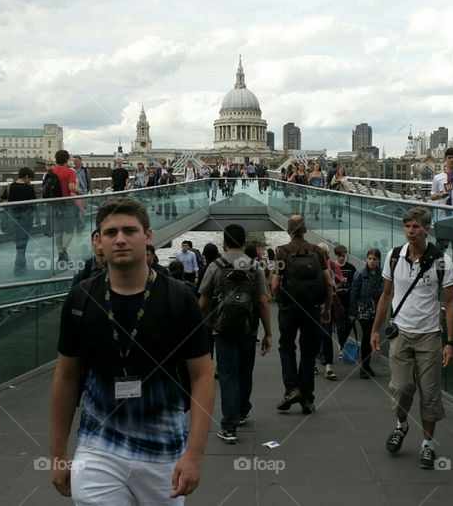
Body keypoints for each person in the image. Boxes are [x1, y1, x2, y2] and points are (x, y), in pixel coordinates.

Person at [49, 197, 214, 504]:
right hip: (98, 447)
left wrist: (194, 454)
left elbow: (203, 376)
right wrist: (58, 455)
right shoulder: (80, 300)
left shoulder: (180, 299)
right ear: (98, 242)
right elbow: (66, 376)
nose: (121, 239)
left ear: (148, 236)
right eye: (111, 233)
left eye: (130, 230)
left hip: (164, 449)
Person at [369, 206, 453, 469]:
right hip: (401, 332)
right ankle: (401, 424)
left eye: (416, 226)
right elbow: (386, 295)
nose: (411, 230)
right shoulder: (394, 256)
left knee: (429, 394)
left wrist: (451, 342)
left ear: (427, 229)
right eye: (407, 226)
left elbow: (451, 303)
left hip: (429, 335)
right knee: (401, 387)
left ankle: (427, 445)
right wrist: (375, 329)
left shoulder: (442, 261)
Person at [200, 224, 272, 444]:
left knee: (228, 374)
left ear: (224, 242)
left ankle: (229, 426)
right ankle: (241, 412)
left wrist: (202, 324)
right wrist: (268, 332)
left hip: (222, 329)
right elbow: (262, 302)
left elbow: (202, 301)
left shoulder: (215, 265)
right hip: (248, 328)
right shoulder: (254, 266)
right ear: (243, 242)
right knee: (245, 371)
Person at [272, 215, 334, 415]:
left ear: (289, 231)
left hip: (289, 308)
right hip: (312, 308)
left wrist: (280, 301)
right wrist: (327, 308)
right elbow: (329, 283)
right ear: (305, 230)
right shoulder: (318, 252)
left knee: (286, 347)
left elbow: (274, 284)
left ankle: (291, 389)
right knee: (308, 352)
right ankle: (307, 399)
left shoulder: (281, 252)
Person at [349, 248, 383, 378]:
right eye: (369, 258)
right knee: (367, 335)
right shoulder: (360, 274)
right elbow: (354, 293)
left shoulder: (381, 275)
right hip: (364, 307)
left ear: (378, 260)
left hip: (377, 308)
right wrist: (353, 312)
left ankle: (367, 365)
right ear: (366, 259)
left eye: (374, 259)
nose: (372, 261)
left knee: (371, 336)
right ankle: (364, 366)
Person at [317, 242, 344, 380]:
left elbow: (338, 280)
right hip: (316, 304)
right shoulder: (314, 266)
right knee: (314, 334)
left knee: (327, 334)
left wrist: (332, 285)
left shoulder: (332, 266)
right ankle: (316, 363)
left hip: (327, 304)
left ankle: (328, 365)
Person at [3, 167, 37, 274]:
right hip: (26, 219)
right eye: (30, 178)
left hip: (13, 219)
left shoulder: (10, 187)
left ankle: (21, 263)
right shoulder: (28, 188)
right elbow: (33, 205)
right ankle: (19, 266)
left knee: (18, 242)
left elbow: (5, 201)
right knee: (22, 243)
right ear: (26, 176)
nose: (30, 181)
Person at [49, 150, 79, 264]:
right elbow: (71, 187)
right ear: (67, 159)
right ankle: (63, 251)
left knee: (58, 231)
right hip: (67, 204)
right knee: (70, 230)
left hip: (55, 204)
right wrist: (80, 191)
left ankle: (60, 253)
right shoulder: (70, 172)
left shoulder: (52, 171)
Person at [332, 244, 357, 362]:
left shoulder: (351, 268)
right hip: (336, 302)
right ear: (336, 255)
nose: (342, 258)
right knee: (339, 326)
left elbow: (355, 285)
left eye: (344, 255)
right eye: (339, 256)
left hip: (348, 300)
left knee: (348, 325)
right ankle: (341, 348)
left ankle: (342, 345)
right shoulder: (332, 267)